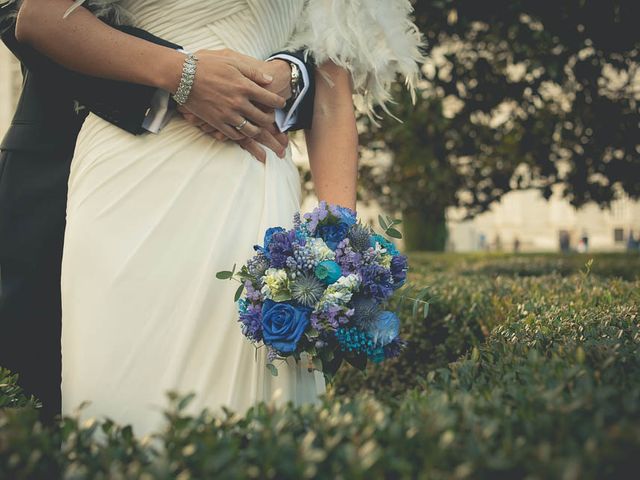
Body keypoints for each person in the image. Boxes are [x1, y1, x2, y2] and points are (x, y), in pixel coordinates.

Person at [16, 0, 423, 435]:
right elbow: (39, 20)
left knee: (258, 410)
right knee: (124, 397)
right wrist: (182, 74)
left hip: (255, 180)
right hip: (130, 179)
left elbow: (332, 100)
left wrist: (339, 245)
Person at [0, 1, 316, 425]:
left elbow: (335, 55)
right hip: (122, 172)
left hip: (257, 176)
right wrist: (185, 75)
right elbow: (30, 15)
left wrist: (293, 73)